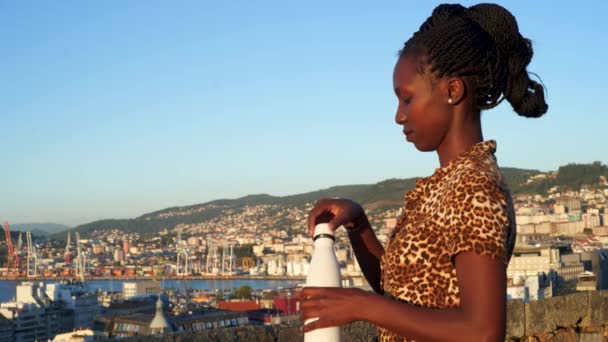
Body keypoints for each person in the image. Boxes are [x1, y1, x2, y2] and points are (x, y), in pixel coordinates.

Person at [299, 3, 548, 341]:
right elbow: (404, 291)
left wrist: (362, 306)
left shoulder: (475, 188)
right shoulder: (448, 184)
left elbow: (483, 331)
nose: (398, 116)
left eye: (406, 99)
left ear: (452, 91)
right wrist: (359, 225)